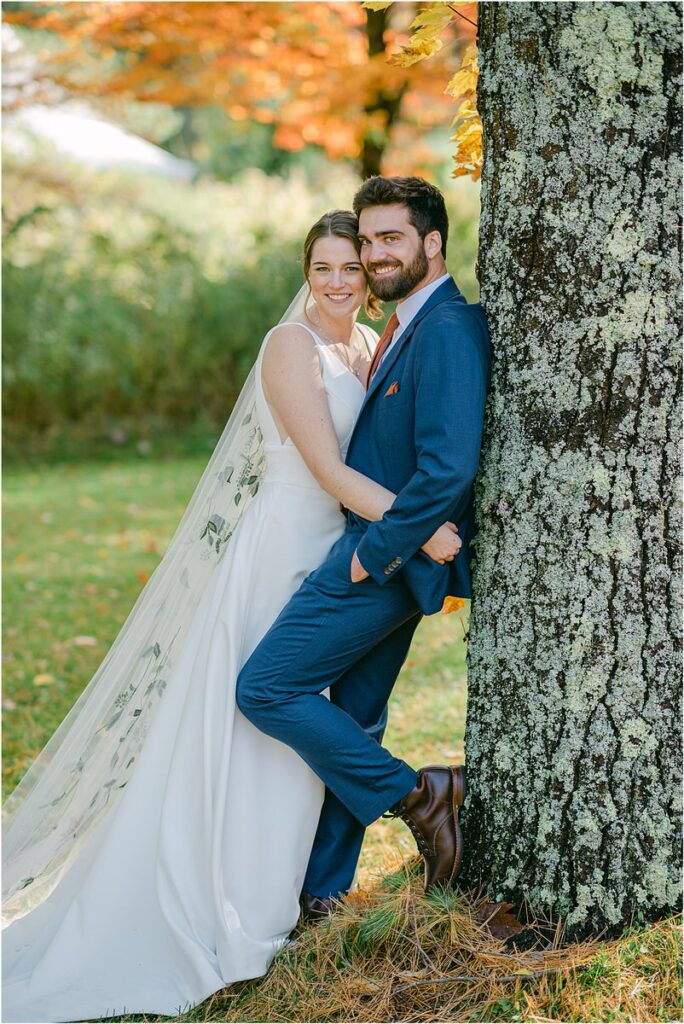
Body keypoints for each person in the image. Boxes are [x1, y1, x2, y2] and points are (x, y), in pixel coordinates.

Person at [1, 208, 461, 1023]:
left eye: (351, 267)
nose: (339, 282)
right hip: (288, 545)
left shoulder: (368, 345)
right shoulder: (289, 347)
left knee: (346, 714)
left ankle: (306, 891)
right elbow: (323, 467)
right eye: (323, 268)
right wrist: (420, 530)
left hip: (350, 546)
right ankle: (228, 886)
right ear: (304, 272)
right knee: (253, 706)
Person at [236, 175, 491, 922]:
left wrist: (373, 554)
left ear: (432, 242)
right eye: (366, 240)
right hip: (393, 549)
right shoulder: (400, 325)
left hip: (381, 556)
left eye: (390, 240)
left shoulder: (444, 325)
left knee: (266, 688)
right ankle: (323, 895)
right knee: (356, 717)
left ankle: (420, 795)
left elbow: (448, 465)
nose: (374, 256)